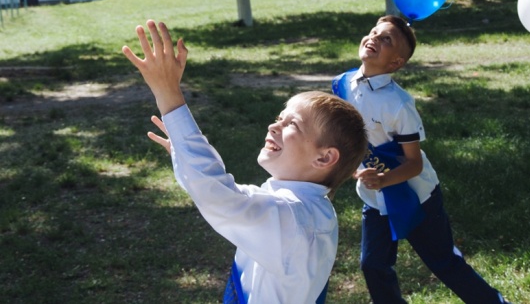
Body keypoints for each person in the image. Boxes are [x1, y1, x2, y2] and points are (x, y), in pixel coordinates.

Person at [122, 20, 368, 304]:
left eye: (293, 125)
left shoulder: (294, 217)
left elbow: (220, 197)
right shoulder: (307, 209)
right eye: (279, 118)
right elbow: (221, 193)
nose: (274, 127)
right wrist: (186, 157)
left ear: (324, 157)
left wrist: (168, 94)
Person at [332, 15, 510, 304]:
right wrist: (355, 169)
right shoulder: (342, 84)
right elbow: (345, 137)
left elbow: (413, 163)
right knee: (373, 265)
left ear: (396, 63)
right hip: (376, 200)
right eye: (374, 32)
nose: (374, 38)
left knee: (443, 263)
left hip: (416, 195)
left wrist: (383, 178)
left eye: (386, 39)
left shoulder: (399, 104)